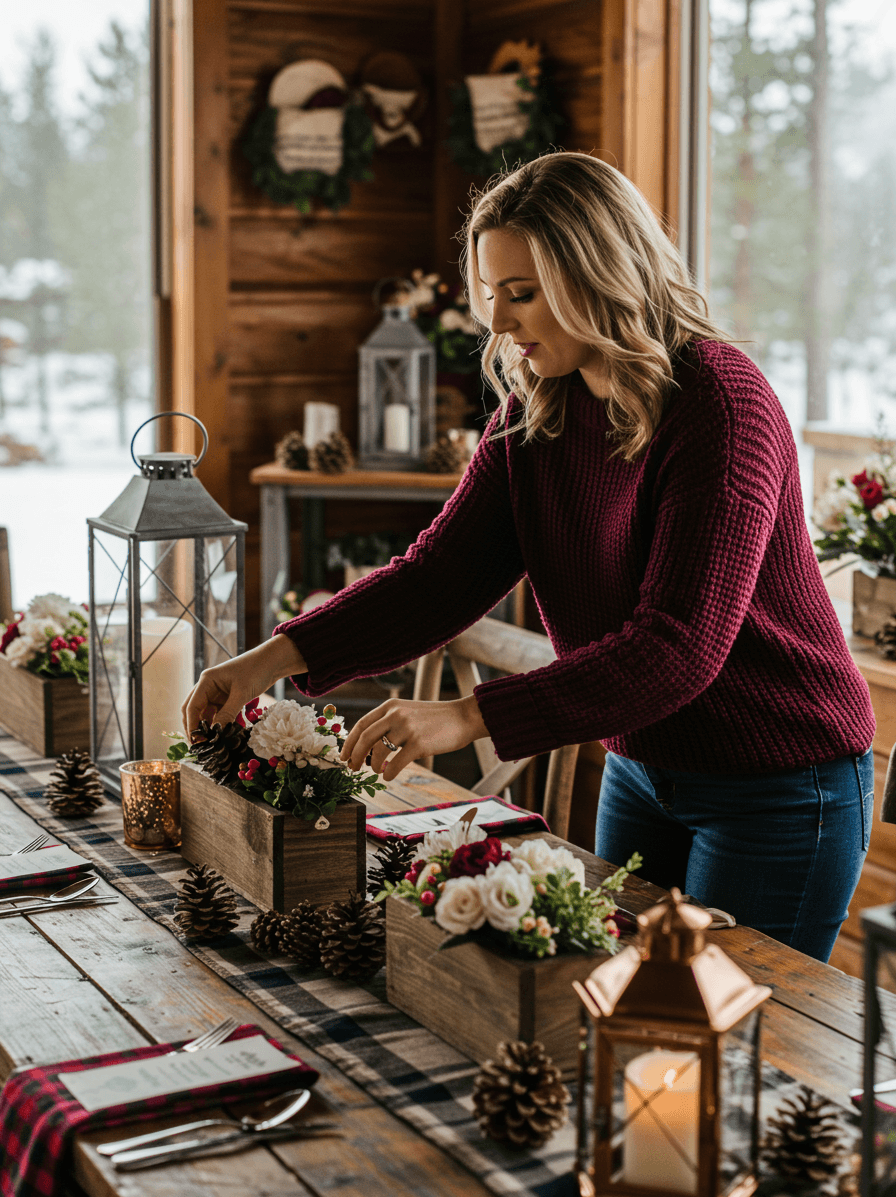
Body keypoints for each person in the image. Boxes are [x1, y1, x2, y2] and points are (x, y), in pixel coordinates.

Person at [183, 151, 875, 964]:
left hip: (783, 787)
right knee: (606, 1008)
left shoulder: (722, 403)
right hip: (642, 765)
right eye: (491, 296)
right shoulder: (538, 408)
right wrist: (271, 659)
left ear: (601, 273)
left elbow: (676, 648)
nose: (500, 324)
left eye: (523, 294)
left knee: (729, 1045)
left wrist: (468, 717)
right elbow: (439, 578)